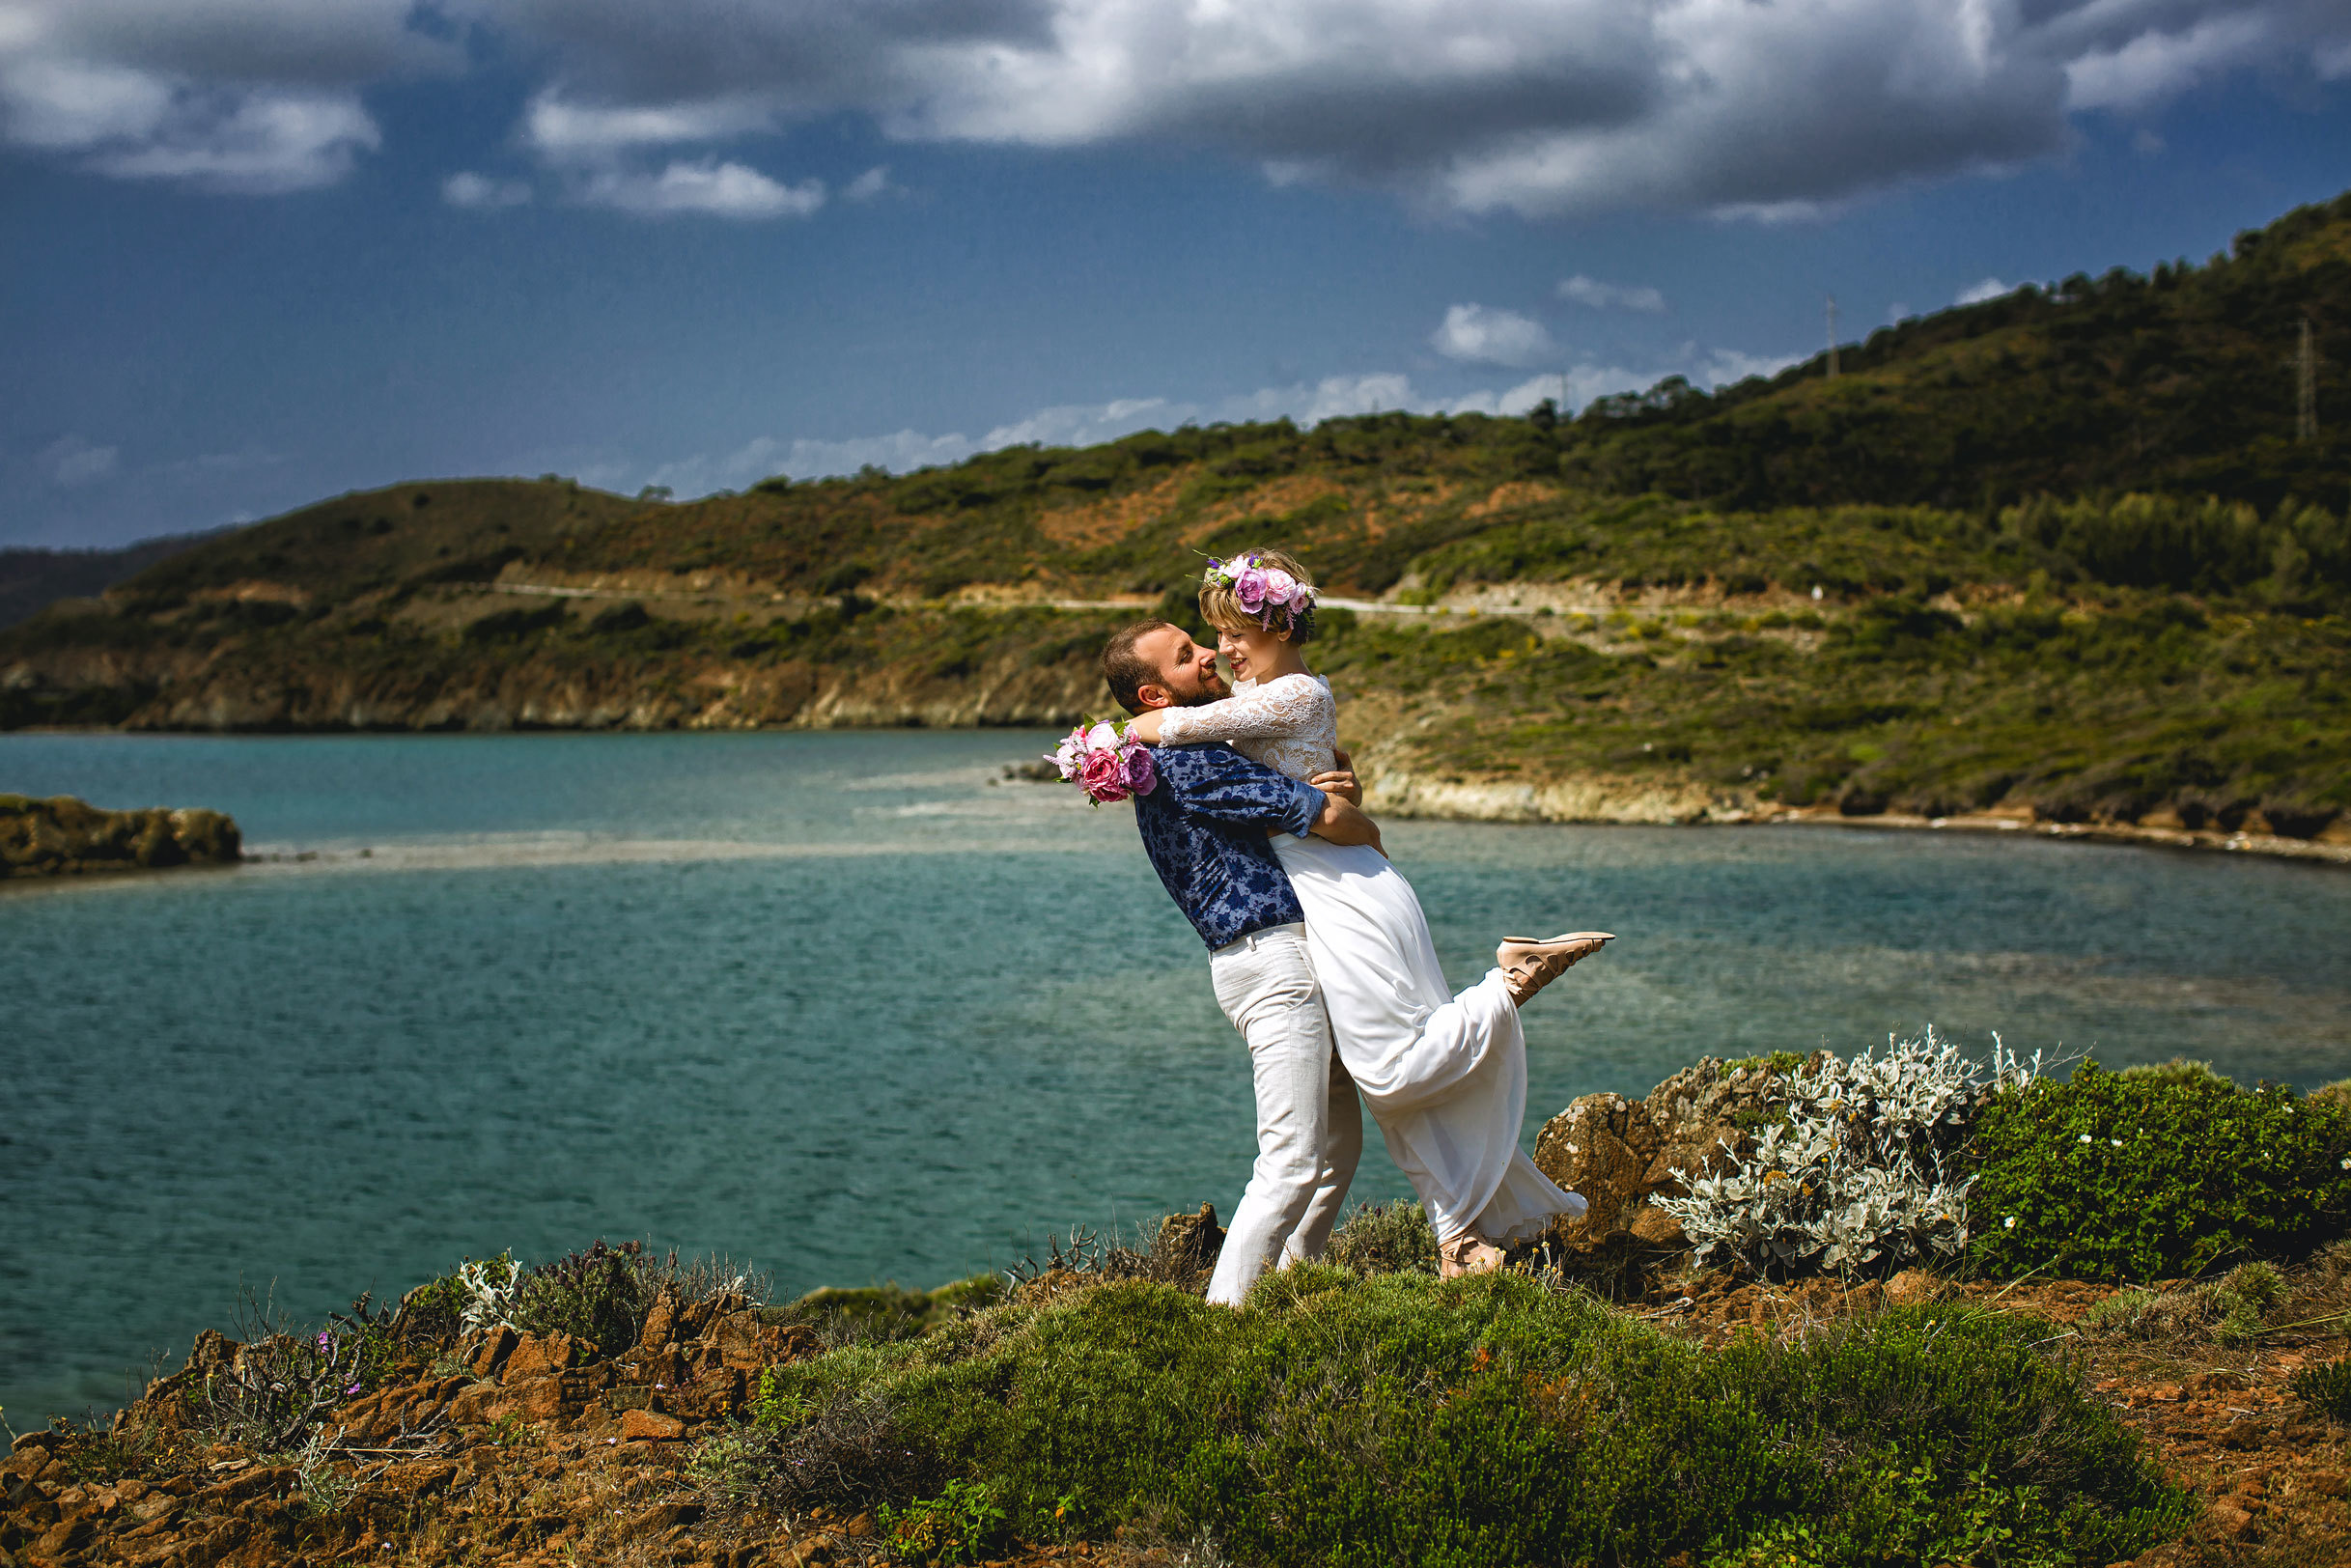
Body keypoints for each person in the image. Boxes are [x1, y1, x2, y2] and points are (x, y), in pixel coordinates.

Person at [1111, 549, 1610, 1275]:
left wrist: (1124, 733)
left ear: (1275, 628)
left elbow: (1183, 731)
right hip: (1318, 888)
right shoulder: (1252, 712)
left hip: (1340, 886)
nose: (1220, 650)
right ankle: (1458, 1235)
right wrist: (1345, 792)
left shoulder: (1292, 696)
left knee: (1389, 1066)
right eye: (1204, 643)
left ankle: (1508, 984)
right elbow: (1267, 760)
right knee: (1380, 1083)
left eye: (1227, 635)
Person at [1094, 632, 1389, 1304]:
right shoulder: (1187, 765)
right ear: (1155, 696)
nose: (1206, 653)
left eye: (1198, 640)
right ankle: (1225, 1323)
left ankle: (1289, 1293)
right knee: (1290, 1161)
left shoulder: (1192, 754)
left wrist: (1336, 791)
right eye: (1184, 654)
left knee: (1334, 1152)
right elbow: (1334, 820)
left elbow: (1315, 803)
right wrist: (1353, 812)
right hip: (1270, 965)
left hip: (1281, 959)